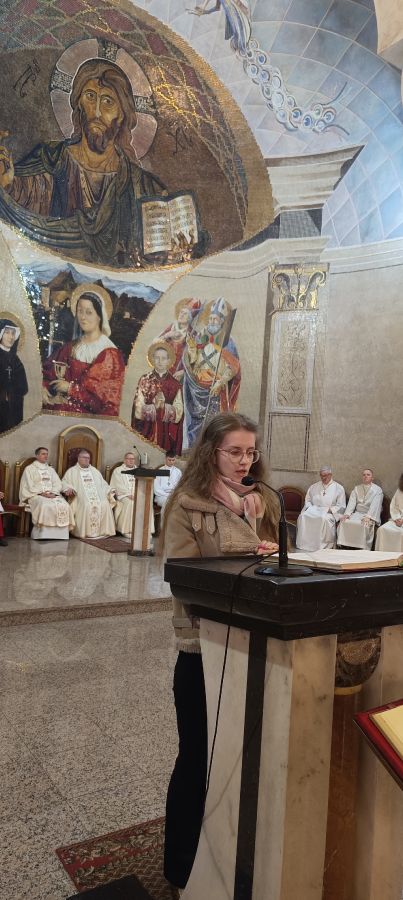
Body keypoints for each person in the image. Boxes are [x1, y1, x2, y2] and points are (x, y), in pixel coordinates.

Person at [162, 412, 280, 891]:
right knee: (196, 758)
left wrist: (268, 550)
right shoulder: (187, 505)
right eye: (235, 451)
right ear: (211, 452)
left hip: (252, 643)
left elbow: (274, 559)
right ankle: (181, 867)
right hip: (202, 649)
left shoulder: (260, 501)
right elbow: (183, 575)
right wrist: (249, 556)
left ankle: (232, 854)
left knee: (241, 757)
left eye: (251, 451)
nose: (245, 460)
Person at [0, 59, 166, 267]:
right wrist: (7, 184)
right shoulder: (52, 159)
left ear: (123, 114)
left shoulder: (142, 186)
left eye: (108, 101)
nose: (96, 112)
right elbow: (21, 204)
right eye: (90, 97)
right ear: (79, 103)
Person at [42, 286, 125, 416]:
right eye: (80, 311)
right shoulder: (71, 346)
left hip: (88, 419)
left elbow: (106, 401)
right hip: (60, 411)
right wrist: (43, 386)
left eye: (89, 312)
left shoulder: (109, 353)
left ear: (100, 316)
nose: (83, 317)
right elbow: (48, 372)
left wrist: (70, 389)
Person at [181, 298, 240, 448]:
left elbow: (233, 366)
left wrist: (220, 382)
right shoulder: (200, 336)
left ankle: (212, 449)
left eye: (215, 319)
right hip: (196, 386)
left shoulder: (227, 341)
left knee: (213, 422)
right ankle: (194, 448)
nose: (212, 321)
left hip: (215, 387)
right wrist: (192, 348)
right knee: (195, 420)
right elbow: (192, 361)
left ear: (222, 321)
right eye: (210, 318)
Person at [132, 341, 184, 453]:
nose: (160, 361)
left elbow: (179, 412)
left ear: (168, 361)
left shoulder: (175, 384)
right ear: (152, 359)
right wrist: (153, 407)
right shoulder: (145, 380)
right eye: (157, 358)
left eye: (163, 358)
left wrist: (164, 407)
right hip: (147, 429)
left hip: (166, 431)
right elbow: (138, 409)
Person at [19, 447, 73, 540]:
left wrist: (53, 493)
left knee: (65, 505)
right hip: (36, 495)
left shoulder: (50, 469)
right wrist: (41, 493)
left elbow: (57, 483)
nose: (46, 456)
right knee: (45, 505)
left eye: (47, 454)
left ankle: (61, 535)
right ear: (37, 455)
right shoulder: (29, 469)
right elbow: (28, 485)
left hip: (52, 495)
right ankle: (42, 534)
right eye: (43, 454)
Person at [62, 449, 116, 539]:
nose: (87, 460)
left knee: (105, 504)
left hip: (98, 495)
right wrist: (68, 488)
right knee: (87, 504)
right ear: (78, 458)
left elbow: (103, 484)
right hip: (80, 495)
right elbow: (64, 482)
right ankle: (84, 532)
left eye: (88, 458)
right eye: (84, 457)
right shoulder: (72, 471)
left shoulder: (95, 471)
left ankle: (104, 532)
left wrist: (110, 490)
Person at [296, 466, 346, 551]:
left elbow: (341, 506)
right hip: (314, 510)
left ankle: (321, 545)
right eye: (321, 475)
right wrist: (311, 508)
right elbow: (308, 500)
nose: (323, 478)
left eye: (325, 475)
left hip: (329, 513)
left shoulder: (339, 488)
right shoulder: (314, 487)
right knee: (303, 516)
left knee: (323, 518)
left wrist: (330, 510)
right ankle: (304, 544)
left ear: (330, 475)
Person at [338, 468, 383, 550]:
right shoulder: (356, 488)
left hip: (369, 514)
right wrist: (347, 514)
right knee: (344, 522)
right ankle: (345, 546)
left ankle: (362, 548)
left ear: (372, 478)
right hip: (357, 513)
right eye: (364, 475)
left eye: (368, 475)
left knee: (364, 524)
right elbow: (351, 503)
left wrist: (368, 516)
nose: (365, 476)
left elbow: (375, 505)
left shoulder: (377, 490)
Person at [0, 319, 28, 434]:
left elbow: (24, 387)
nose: (11, 337)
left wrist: (11, 392)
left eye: (13, 333)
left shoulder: (16, 360)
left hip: (13, 410)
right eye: (7, 333)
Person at [110, 450, 140, 538]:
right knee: (131, 503)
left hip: (138, 495)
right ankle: (127, 530)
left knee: (145, 504)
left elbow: (142, 484)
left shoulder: (139, 471)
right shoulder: (118, 470)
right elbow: (118, 485)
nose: (131, 461)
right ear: (124, 460)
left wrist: (139, 495)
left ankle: (142, 529)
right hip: (124, 495)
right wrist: (128, 494)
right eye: (129, 459)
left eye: (133, 459)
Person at [375, 475, 403, 551]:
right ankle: (382, 554)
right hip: (397, 519)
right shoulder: (399, 490)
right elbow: (393, 506)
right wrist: (397, 518)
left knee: (401, 534)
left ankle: (399, 556)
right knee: (382, 529)